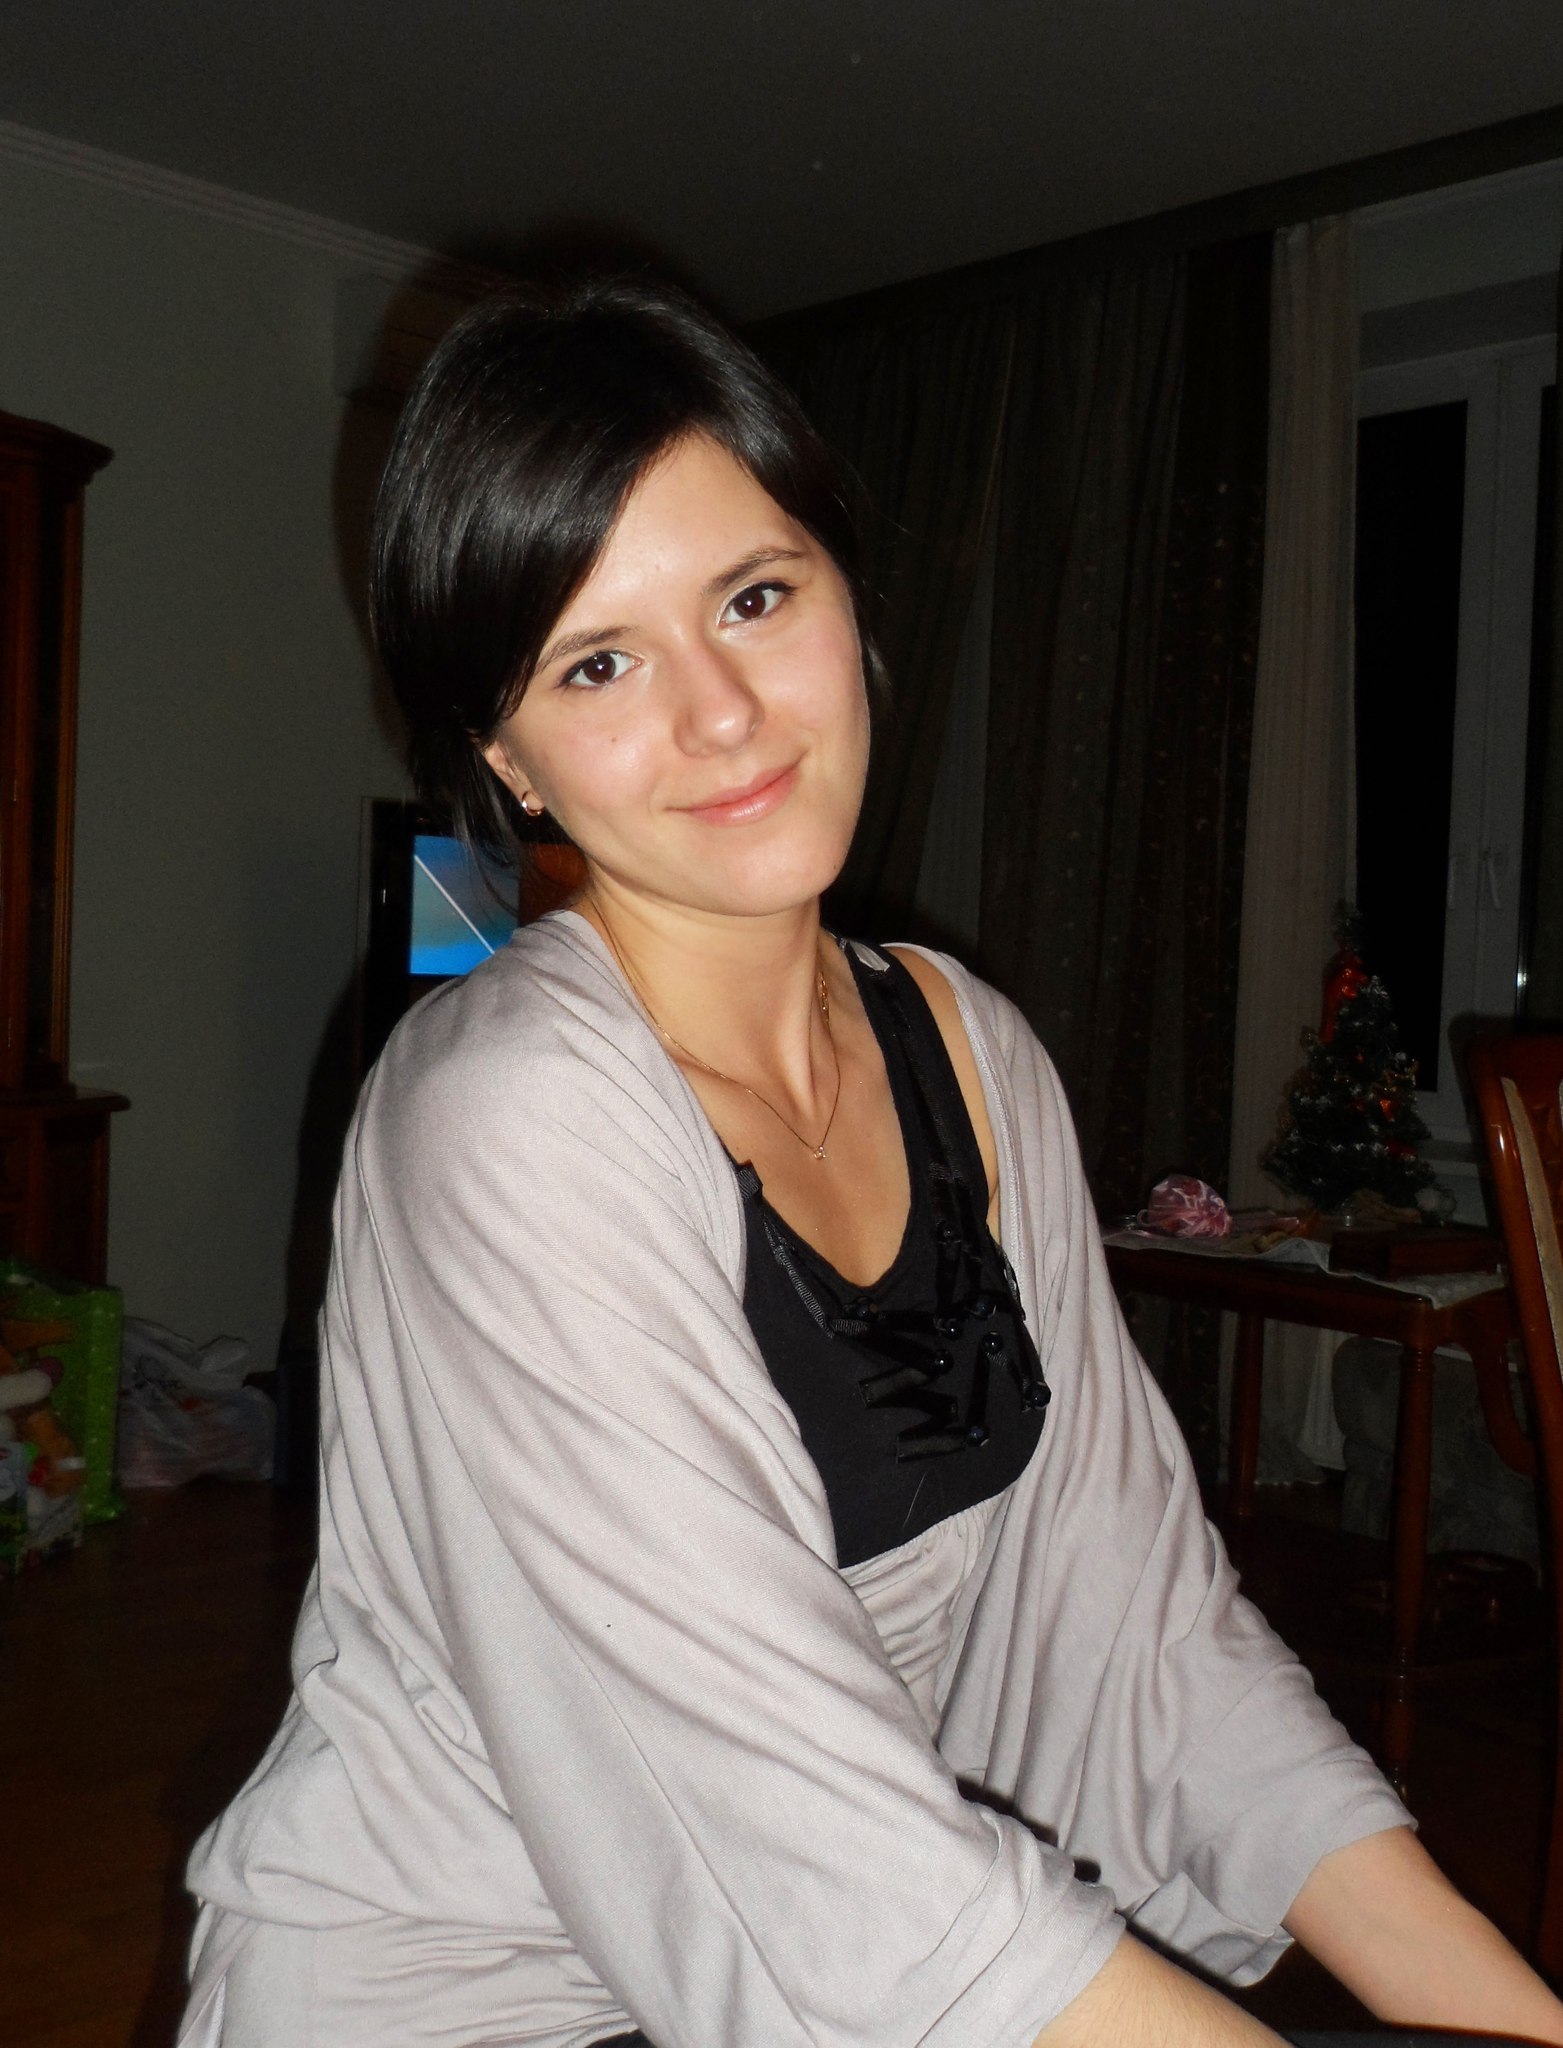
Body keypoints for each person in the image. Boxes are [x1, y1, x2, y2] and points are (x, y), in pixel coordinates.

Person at [178, 275, 1563, 2048]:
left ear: (845, 590)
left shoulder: (970, 1054)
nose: (724, 712)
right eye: (600, 661)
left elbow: (1145, 1638)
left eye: (755, 597)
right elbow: (792, 1830)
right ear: (506, 756)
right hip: (472, 2001)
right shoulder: (507, 1114)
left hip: (843, 1954)